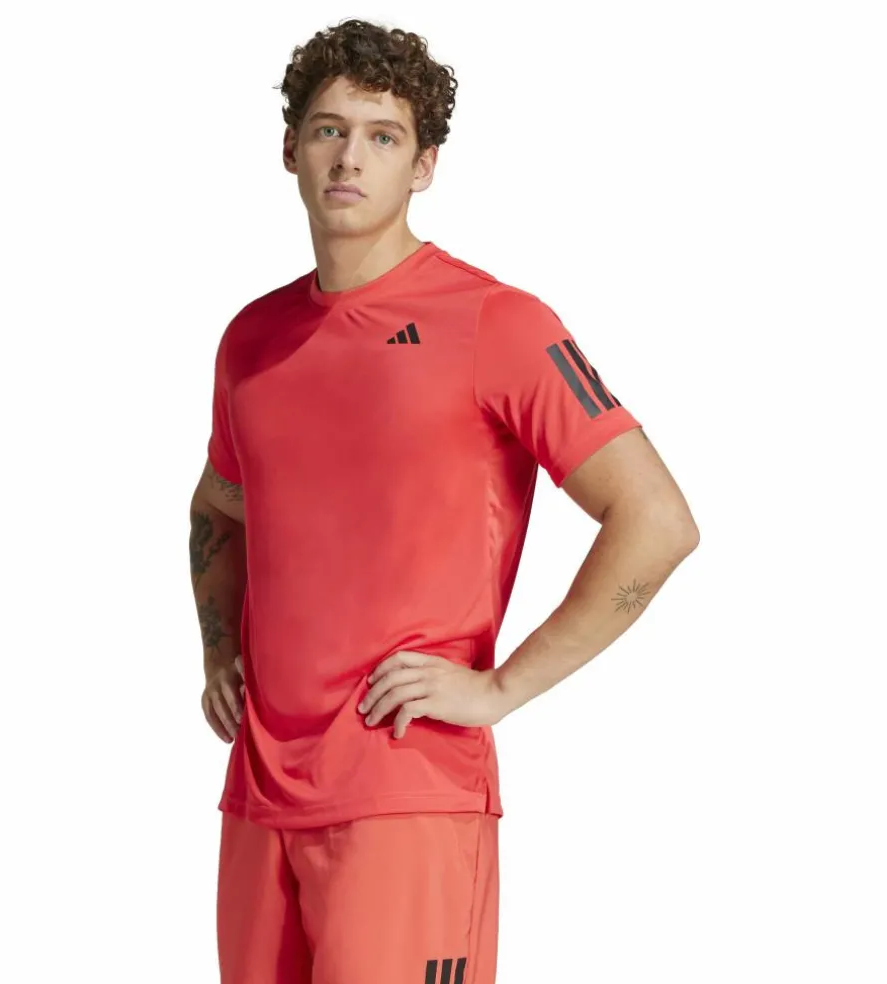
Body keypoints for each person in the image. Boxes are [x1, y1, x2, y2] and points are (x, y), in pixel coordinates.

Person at [189, 17, 698, 984]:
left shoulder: (495, 323)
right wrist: (219, 650)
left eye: (383, 136)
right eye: (330, 129)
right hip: (258, 797)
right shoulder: (251, 339)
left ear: (423, 167)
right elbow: (218, 507)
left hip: (408, 791)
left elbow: (657, 520)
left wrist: (499, 690)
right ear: (290, 149)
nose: (350, 156)